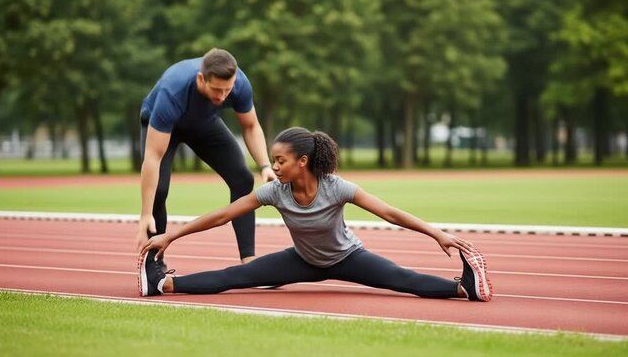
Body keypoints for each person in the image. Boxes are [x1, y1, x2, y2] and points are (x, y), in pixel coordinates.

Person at [138, 127, 493, 302]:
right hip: (303, 260)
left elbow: (388, 212)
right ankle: (162, 283)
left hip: (347, 257)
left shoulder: (335, 187)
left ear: (303, 162)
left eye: (280, 161)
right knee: (237, 276)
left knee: (404, 280)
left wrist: (437, 234)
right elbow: (223, 214)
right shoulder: (274, 192)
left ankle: (466, 289)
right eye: (273, 160)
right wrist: (171, 235)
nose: (273, 167)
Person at [136, 48, 276, 272]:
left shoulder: (239, 84)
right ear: (201, 79)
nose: (222, 97)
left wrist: (265, 165)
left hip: (203, 124)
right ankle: (154, 264)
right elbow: (153, 157)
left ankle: (248, 261)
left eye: (227, 91)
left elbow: (250, 125)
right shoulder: (173, 91)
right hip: (163, 127)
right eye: (217, 90)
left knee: (242, 178)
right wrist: (145, 214)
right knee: (158, 191)